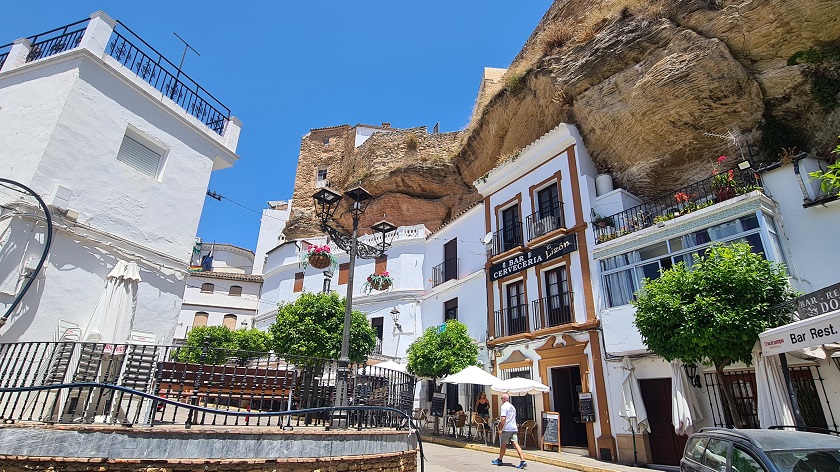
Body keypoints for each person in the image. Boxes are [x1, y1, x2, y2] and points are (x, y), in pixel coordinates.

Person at [492, 393, 526, 469]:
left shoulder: (504, 407)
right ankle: (522, 460)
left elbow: (503, 419)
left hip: (506, 428)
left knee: (503, 445)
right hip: (513, 428)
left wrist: (500, 429)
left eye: (501, 398)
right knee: (516, 444)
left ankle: (500, 460)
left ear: (504, 399)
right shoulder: (512, 407)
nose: (501, 400)